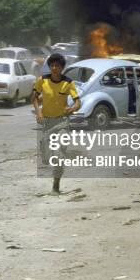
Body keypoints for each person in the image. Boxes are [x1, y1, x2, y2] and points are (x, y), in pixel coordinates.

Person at [32, 52, 81, 195]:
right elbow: (34, 98)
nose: (54, 68)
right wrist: (39, 112)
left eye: (57, 66)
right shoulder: (42, 80)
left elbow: (78, 101)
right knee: (48, 158)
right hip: (47, 123)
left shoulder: (68, 83)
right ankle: (44, 148)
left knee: (59, 155)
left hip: (62, 123)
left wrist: (72, 108)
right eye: (52, 65)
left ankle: (56, 186)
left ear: (62, 68)